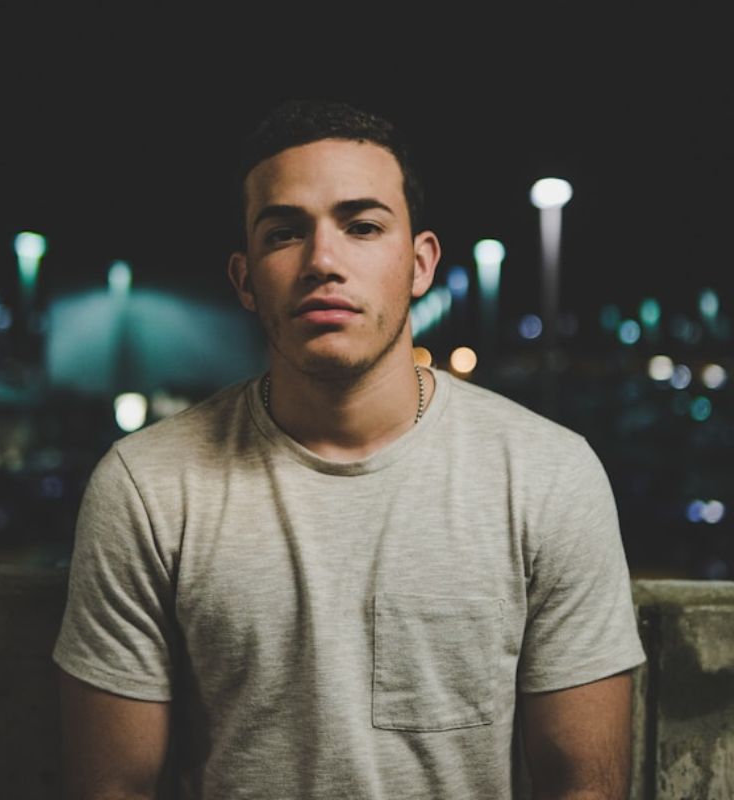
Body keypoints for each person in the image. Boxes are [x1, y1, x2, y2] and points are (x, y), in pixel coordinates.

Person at [53, 98, 647, 799]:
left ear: (419, 264)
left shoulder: (548, 476)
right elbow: (111, 787)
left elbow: (585, 785)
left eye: (362, 226)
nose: (322, 261)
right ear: (245, 280)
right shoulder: (148, 486)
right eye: (284, 233)